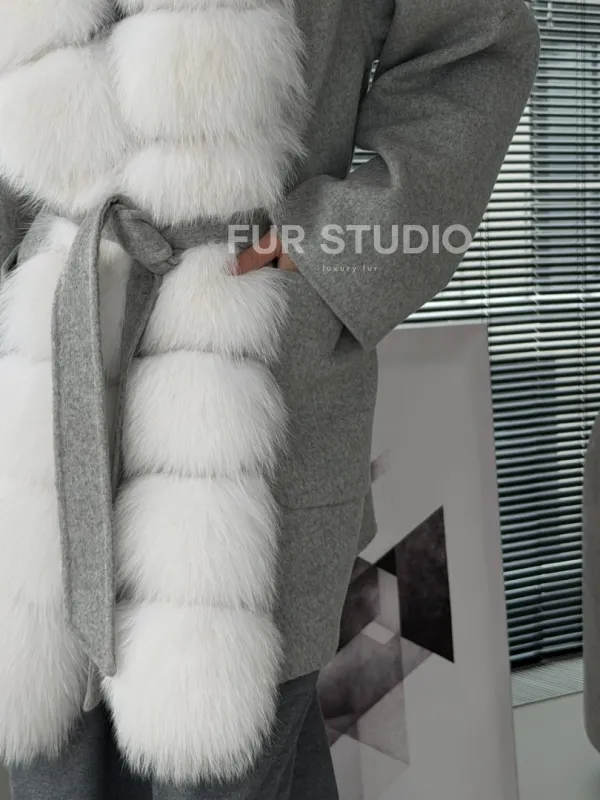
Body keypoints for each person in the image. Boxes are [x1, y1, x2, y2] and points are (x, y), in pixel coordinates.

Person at [0, 0, 539, 798]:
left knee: (225, 754)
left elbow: (474, 42)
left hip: (250, 386)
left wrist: (325, 251)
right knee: (52, 753)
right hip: (44, 374)